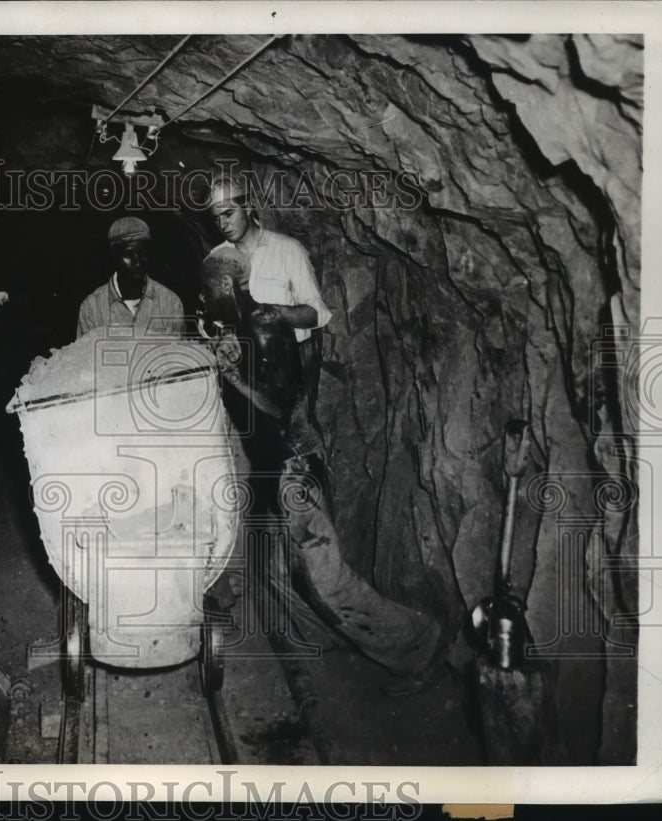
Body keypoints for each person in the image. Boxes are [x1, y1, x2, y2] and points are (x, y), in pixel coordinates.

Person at [201, 246, 445, 694]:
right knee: (279, 571)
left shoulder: (265, 327)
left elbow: (279, 405)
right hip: (279, 469)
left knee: (327, 581)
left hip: (295, 467)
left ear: (223, 285)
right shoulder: (245, 329)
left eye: (206, 292)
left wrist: (231, 375)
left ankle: (418, 645)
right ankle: (336, 649)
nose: (203, 302)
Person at [207, 174, 330, 421]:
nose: (222, 224)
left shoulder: (287, 250)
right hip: (244, 373)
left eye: (228, 213)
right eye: (216, 217)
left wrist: (273, 314)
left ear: (249, 205)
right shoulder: (216, 259)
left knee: (299, 447)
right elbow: (215, 323)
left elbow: (318, 314)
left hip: (290, 369)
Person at [76, 217, 184, 338]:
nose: (137, 262)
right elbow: (84, 356)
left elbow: (176, 355)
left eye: (142, 253)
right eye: (128, 254)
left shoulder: (170, 302)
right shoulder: (92, 308)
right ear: (114, 256)